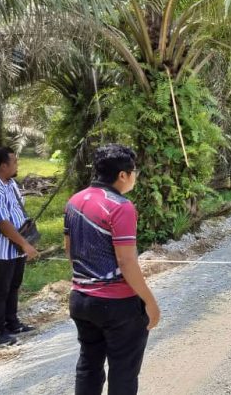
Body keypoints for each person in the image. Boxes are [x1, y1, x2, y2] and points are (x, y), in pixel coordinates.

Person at [64, 144, 160, 395]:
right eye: (134, 171)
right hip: (117, 306)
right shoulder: (121, 206)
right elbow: (127, 262)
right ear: (122, 175)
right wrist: (149, 301)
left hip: (80, 299)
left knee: (89, 365)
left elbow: (69, 249)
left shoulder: (75, 200)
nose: (135, 176)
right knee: (123, 371)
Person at [0, 147, 38, 347]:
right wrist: (25, 244)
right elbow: (1, 222)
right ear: (4, 165)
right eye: (15, 162)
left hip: (15, 245)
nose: (17, 165)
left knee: (13, 285)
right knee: (0, 290)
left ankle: (12, 323)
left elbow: (15, 209)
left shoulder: (9, 183)